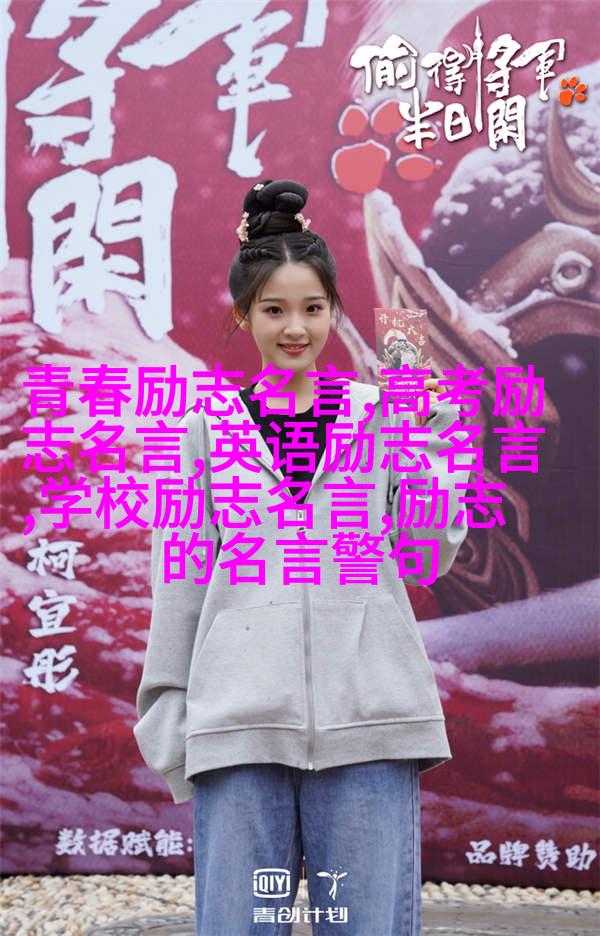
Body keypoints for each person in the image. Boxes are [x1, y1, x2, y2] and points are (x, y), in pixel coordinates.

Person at [133, 178, 473, 935]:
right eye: (274, 310)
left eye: (313, 309)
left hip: (370, 725)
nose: (296, 328)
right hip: (238, 730)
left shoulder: (382, 417)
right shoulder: (205, 429)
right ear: (244, 315)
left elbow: (428, 553)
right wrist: (173, 722)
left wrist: (427, 438)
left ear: (334, 311)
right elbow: (180, 584)